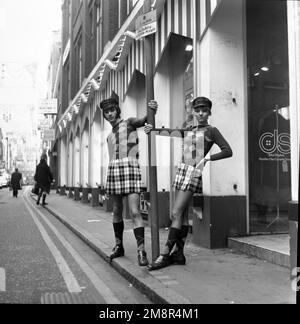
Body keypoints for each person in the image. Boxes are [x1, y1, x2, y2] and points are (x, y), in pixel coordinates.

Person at [145, 96, 233, 271]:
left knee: (175, 213)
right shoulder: (189, 129)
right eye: (198, 110)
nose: (201, 113)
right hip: (182, 170)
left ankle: (164, 254)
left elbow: (228, 151)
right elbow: (170, 132)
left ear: (209, 112)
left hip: (193, 172)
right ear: (193, 112)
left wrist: (207, 158)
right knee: (182, 215)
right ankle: (179, 253)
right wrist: (152, 129)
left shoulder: (211, 130)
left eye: (204, 110)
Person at [99, 97, 158, 267]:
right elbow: (112, 156)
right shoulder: (109, 136)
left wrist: (151, 109)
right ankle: (119, 246)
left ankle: (141, 251)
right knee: (117, 210)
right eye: (106, 112)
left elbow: (144, 120)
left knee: (135, 212)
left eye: (112, 110)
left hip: (130, 168)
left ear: (117, 110)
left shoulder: (130, 123)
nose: (110, 113)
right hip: (114, 171)